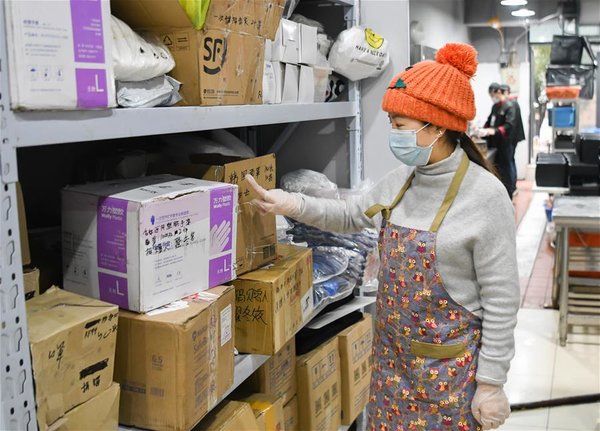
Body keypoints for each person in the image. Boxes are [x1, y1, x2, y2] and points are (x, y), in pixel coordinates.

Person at [246, 43, 519, 431]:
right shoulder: (402, 182)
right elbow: (348, 215)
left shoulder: (485, 197)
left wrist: (491, 384)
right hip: (392, 364)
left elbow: (502, 301)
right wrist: (289, 203)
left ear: (437, 125)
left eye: (400, 125)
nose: (392, 134)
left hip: (448, 374)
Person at [480, 83, 523, 198]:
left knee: (508, 163)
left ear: (498, 92)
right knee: (505, 163)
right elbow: (490, 121)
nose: (492, 98)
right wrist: (482, 130)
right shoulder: (496, 106)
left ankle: (511, 190)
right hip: (499, 140)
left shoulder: (511, 105)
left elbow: (509, 125)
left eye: (492, 95)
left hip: (508, 140)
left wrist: (494, 131)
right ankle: (508, 188)